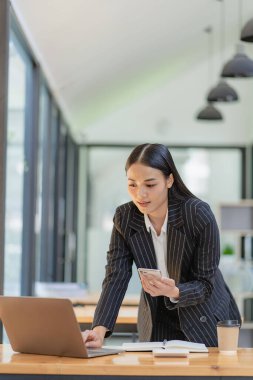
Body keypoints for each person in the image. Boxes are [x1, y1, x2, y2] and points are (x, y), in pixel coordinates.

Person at [82, 143, 241, 348]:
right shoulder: (125, 217)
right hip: (158, 317)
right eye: (132, 184)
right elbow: (116, 276)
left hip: (204, 315)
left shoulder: (197, 214)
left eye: (150, 185)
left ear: (169, 180)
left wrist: (175, 291)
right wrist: (99, 330)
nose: (140, 194)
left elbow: (205, 284)